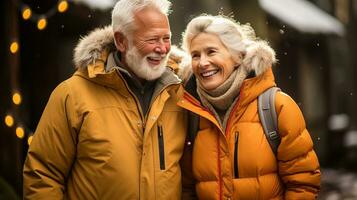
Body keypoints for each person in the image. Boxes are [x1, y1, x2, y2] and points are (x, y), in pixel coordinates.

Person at [23, 0, 191, 199]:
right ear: (121, 41)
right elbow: (42, 176)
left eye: (166, 38)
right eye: (152, 39)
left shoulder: (181, 92)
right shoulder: (72, 95)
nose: (163, 49)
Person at [177, 15, 321, 199]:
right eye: (195, 55)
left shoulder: (277, 107)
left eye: (211, 52)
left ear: (237, 56)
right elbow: (188, 189)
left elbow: (303, 184)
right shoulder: (191, 112)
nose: (202, 63)